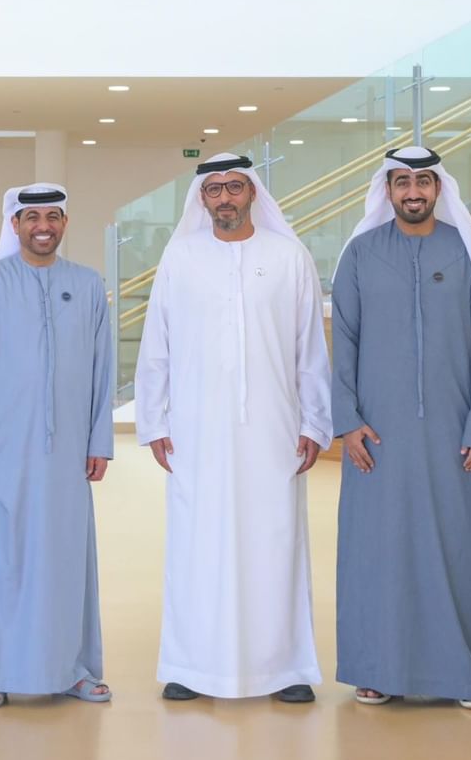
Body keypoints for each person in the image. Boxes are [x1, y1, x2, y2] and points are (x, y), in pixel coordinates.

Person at [135, 153, 331, 702]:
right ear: (202, 198)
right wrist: (153, 419)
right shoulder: (180, 257)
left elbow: (309, 349)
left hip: (274, 427)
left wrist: (315, 419)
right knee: (197, 545)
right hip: (195, 429)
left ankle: (285, 668)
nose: (225, 197)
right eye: (214, 189)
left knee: (276, 542)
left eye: (235, 187)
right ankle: (191, 666)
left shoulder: (288, 256)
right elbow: (157, 344)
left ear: (252, 194)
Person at [331, 148, 471, 709]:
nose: (413, 192)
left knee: (458, 547)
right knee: (379, 550)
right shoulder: (360, 255)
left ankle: (465, 674)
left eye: (423, 181)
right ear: (387, 191)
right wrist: (347, 421)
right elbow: (343, 341)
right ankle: (377, 668)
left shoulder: (467, 253)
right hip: (377, 436)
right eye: (402, 182)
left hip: (455, 433)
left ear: (438, 189)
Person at [0, 184, 114, 709]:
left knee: (66, 559)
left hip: (68, 451)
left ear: (64, 223)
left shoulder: (87, 284)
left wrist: (99, 440)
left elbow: (102, 369)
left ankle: (72, 669)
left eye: (53, 216)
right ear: (15, 225)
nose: (43, 226)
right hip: (1, 449)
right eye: (32, 218)